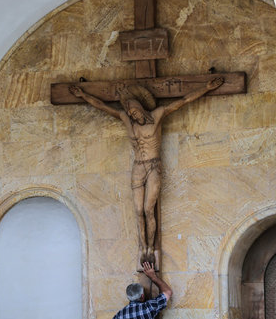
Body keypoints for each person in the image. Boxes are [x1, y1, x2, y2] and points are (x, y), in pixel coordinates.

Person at [70, 77, 224, 266]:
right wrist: (83, 95)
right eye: (131, 114)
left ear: (141, 109)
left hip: (153, 166)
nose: (134, 116)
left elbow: (183, 101)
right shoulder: (127, 120)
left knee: (148, 209)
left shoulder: (157, 115)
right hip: (138, 167)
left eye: (135, 112)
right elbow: (102, 106)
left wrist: (205, 87)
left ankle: (151, 247)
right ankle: (143, 247)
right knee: (137, 210)